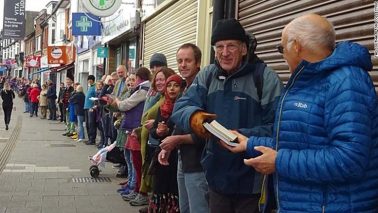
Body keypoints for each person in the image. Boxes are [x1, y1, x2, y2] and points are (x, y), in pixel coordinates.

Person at [223, 14, 378, 212]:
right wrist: (248, 143)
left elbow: (350, 160)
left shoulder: (345, 82)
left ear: (295, 46)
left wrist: (279, 161)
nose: (283, 55)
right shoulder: (308, 80)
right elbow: (297, 142)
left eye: (281, 49)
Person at [171, 18, 283, 213]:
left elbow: (278, 126)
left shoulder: (264, 77)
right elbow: (181, 107)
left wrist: (240, 135)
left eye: (231, 46)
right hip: (217, 178)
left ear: (244, 49)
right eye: (219, 46)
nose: (224, 52)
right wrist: (196, 117)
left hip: (252, 179)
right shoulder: (208, 74)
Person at [158, 43, 209, 213]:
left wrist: (177, 140)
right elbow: (181, 123)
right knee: (185, 208)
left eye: (188, 60)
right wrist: (169, 146)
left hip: (198, 164)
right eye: (180, 61)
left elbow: (209, 131)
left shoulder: (204, 88)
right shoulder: (185, 89)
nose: (183, 65)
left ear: (197, 62)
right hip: (183, 160)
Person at [148, 74, 184, 212]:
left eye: (176, 85)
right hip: (162, 155)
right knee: (160, 188)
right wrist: (158, 131)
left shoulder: (183, 106)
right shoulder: (162, 107)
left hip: (176, 157)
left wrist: (168, 130)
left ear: (181, 88)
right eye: (169, 86)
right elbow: (154, 132)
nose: (172, 89)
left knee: (174, 190)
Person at [84, 75, 97, 145]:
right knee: (87, 124)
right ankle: (89, 138)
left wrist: (93, 106)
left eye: (90, 80)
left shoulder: (94, 87)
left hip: (91, 108)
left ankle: (92, 139)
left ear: (92, 80)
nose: (89, 81)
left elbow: (96, 97)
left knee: (91, 123)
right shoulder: (90, 87)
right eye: (88, 80)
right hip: (86, 107)